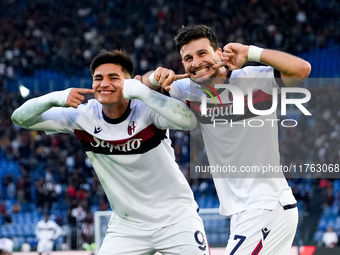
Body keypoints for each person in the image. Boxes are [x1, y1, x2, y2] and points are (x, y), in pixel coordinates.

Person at [12, 50, 210, 255]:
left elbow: (189, 121)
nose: (104, 83)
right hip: (128, 226)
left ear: (129, 83)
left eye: (113, 78)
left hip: (176, 219)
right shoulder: (82, 116)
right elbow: (20, 118)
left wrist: (143, 92)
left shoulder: (147, 109)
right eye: (98, 78)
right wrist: (54, 97)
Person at [142, 25, 311, 254]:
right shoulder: (185, 89)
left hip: (266, 207)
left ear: (218, 54)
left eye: (203, 53)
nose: (196, 62)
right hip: (243, 212)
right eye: (188, 58)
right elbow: (140, 87)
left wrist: (251, 52)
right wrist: (155, 77)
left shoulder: (253, 79)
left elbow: (302, 69)